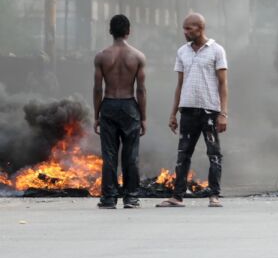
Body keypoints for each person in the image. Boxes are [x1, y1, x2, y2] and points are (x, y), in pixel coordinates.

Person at [156, 13, 228, 208]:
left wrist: (223, 114)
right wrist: (173, 113)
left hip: (209, 110)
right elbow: (179, 84)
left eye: (189, 28)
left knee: (213, 153)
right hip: (187, 111)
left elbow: (223, 84)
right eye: (184, 28)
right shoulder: (182, 52)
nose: (185, 32)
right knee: (183, 153)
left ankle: (215, 195)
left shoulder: (216, 50)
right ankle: (177, 196)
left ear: (200, 28)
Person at [93, 14, 146, 209]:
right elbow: (141, 90)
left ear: (110, 31)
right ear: (128, 31)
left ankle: (109, 198)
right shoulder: (138, 56)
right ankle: (131, 198)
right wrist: (144, 117)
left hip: (108, 105)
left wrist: (96, 114)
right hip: (129, 106)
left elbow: (98, 89)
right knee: (131, 154)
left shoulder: (101, 56)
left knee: (109, 155)